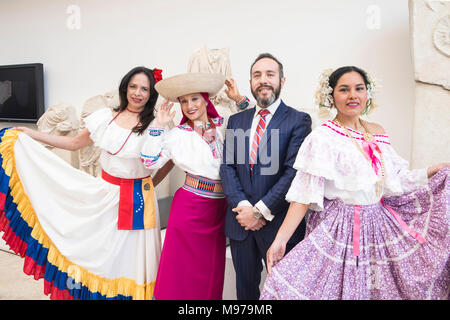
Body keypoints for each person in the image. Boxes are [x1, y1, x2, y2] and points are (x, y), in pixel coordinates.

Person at [261, 66, 450, 300]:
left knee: (378, 289)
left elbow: (394, 179)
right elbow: (303, 194)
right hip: (339, 227)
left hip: (379, 225)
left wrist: (433, 170)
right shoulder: (323, 137)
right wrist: (281, 240)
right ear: (332, 96)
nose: (353, 95)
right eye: (344, 89)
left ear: (367, 93)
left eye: (359, 88)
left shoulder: (377, 132)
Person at [0, 66, 167, 300]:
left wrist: (151, 183)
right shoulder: (105, 117)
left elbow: (170, 159)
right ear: (125, 87)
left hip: (139, 199)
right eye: (133, 86)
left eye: (144, 89)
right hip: (104, 193)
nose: (137, 93)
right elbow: (74, 143)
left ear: (151, 94)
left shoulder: (156, 125)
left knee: (132, 258)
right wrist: (32, 135)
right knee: (98, 254)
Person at [219, 53, 312, 300]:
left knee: (283, 292)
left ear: (282, 80)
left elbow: (293, 173)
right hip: (240, 224)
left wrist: (259, 211)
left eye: (270, 74)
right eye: (257, 75)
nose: (263, 80)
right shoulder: (236, 121)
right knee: (245, 293)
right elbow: (228, 167)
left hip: (279, 225)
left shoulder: (298, 120)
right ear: (250, 81)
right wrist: (243, 208)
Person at [140, 72, 228, 300]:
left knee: (211, 273)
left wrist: (240, 99)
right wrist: (158, 125)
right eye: (184, 101)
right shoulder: (176, 135)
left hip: (219, 210)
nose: (189, 106)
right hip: (189, 209)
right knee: (182, 271)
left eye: (195, 99)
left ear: (206, 99)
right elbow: (149, 161)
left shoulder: (224, 127)